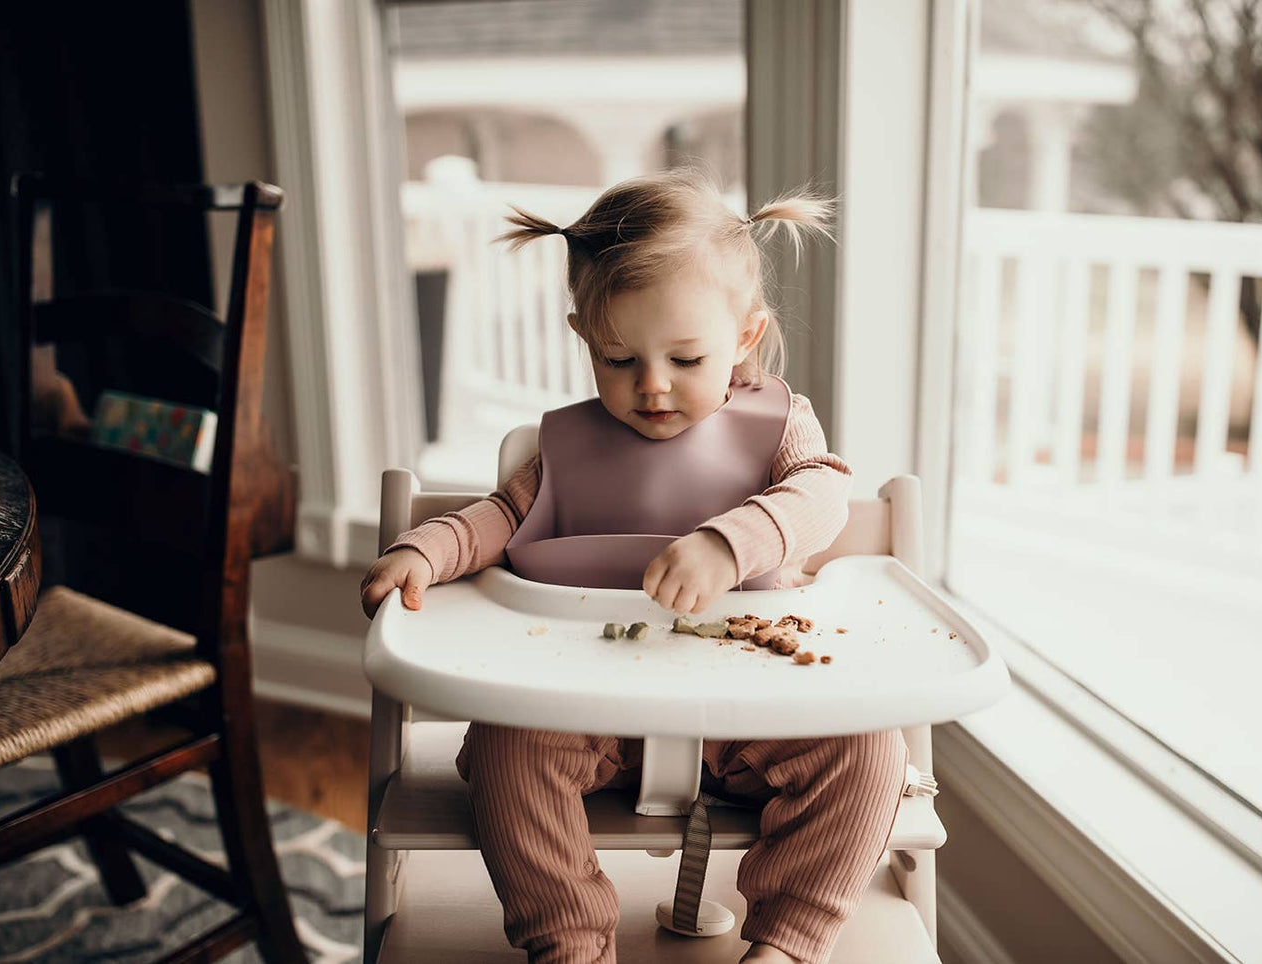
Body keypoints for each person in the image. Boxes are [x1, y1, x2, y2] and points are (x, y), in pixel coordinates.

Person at [360, 169, 907, 964]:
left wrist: (731, 543)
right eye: (619, 360)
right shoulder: (568, 447)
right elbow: (500, 519)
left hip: (756, 708)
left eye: (686, 358)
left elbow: (823, 495)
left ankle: (788, 942)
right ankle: (570, 942)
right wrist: (423, 549)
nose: (651, 386)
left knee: (870, 753)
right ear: (584, 336)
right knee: (506, 753)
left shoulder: (778, 426)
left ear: (745, 337)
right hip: (587, 711)